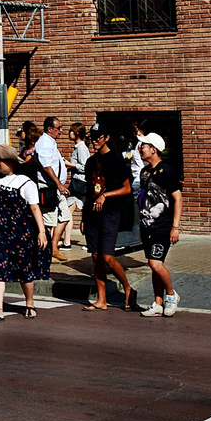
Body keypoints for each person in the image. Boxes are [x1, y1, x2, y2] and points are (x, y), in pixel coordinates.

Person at [0, 143, 49, 320]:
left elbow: (35, 209)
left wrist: (42, 231)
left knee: (24, 271)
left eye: (0, 160)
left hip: (21, 234)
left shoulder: (26, 183)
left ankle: (29, 303)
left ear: (10, 163)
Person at [82, 127, 138, 313]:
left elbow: (127, 188)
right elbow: (88, 190)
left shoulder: (116, 159)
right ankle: (101, 299)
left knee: (107, 256)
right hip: (92, 214)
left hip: (110, 213)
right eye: (92, 138)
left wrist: (106, 196)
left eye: (98, 138)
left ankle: (128, 288)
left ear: (106, 137)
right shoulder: (90, 161)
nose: (94, 141)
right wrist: (83, 216)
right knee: (96, 257)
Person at [136, 135, 182, 317]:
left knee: (155, 263)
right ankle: (158, 303)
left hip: (163, 226)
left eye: (143, 146)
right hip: (146, 225)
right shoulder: (144, 172)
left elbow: (177, 198)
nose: (140, 149)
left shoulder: (167, 171)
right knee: (155, 265)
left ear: (153, 149)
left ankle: (171, 295)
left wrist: (175, 227)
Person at [33, 116, 72, 259]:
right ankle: (45, 253)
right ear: (50, 129)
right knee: (49, 221)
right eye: (58, 128)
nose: (61, 131)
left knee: (65, 216)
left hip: (55, 188)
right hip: (49, 187)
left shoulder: (51, 142)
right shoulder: (44, 143)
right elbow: (46, 166)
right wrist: (59, 184)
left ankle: (53, 247)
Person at [66, 121, 90, 247]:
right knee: (69, 211)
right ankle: (67, 241)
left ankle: (67, 241)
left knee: (67, 212)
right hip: (78, 182)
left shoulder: (81, 148)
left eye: (70, 131)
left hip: (79, 183)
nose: (68, 133)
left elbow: (85, 166)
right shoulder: (79, 147)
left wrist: (69, 164)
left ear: (76, 133)